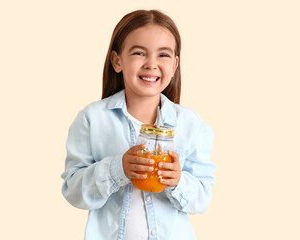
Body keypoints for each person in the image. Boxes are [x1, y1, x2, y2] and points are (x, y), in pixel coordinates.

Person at [61, 9, 216, 240]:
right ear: (117, 61)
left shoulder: (191, 125)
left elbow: (203, 197)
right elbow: (73, 191)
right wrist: (116, 170)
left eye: (163, 55)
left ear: (174, 65)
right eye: (139, 53)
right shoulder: (92, 119)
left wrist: (178, 181)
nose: (151, 64)